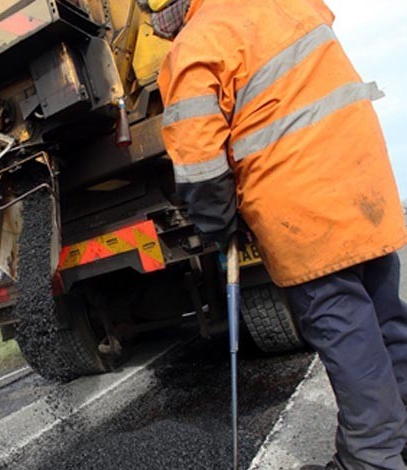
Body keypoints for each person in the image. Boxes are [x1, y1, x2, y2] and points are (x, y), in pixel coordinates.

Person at [145, 0, 407, 468]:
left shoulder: (195, 45)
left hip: (304, 203)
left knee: (345, 329)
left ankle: (372, 459)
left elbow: (202, 170)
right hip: (364, 185)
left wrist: (222, 228)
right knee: (385, 319)